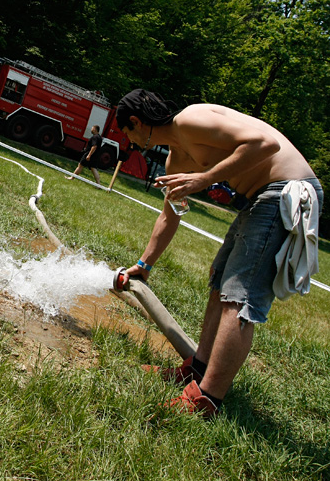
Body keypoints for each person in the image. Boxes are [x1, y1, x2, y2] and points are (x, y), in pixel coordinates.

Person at [116, 89, 324, 418]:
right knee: (219, 282)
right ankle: (197, 370)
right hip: (262, 196)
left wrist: (205, 179)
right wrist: (144, 265)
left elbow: (264, 145)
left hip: (285, 190)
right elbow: (170, 214)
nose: (130, 141)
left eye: (127, 132)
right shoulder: (177, 157)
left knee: (238, 297)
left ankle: (207, 399)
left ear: (136, 122)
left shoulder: (190, 119)